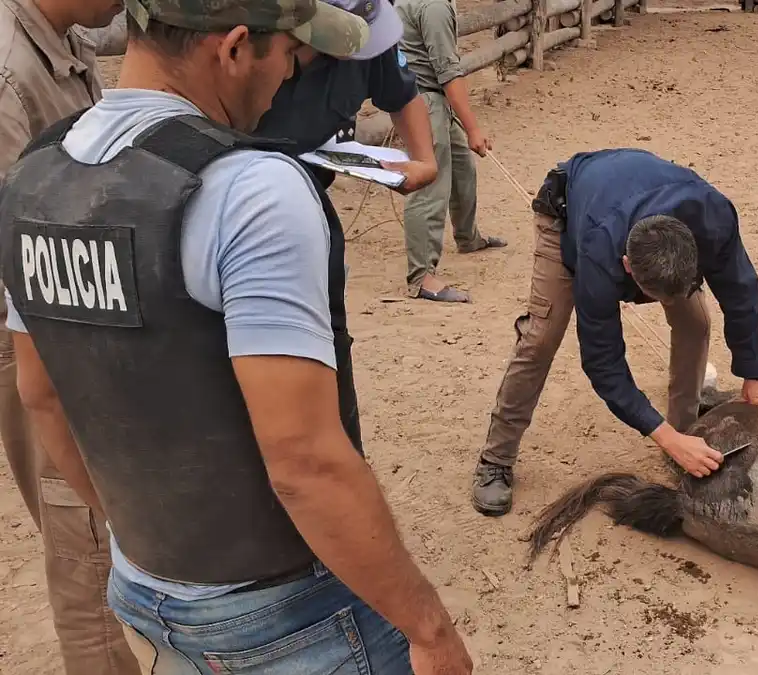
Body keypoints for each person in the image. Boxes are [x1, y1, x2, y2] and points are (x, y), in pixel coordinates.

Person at [0, 0, 473, 671]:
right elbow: (304, 461)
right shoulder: (250, 189)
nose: (287, 75)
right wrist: (429, 628)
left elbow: (39, 392)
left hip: (143, 585)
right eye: (287, 52)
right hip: (277, 607)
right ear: (233, 49)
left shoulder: (35, 176)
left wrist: (138, 534)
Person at [471, 148, 758, 516]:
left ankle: (686, 428)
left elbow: (743, 292)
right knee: (540, 340)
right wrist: (660, 434)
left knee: (695, 321)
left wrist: (754, 376)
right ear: (626, 267)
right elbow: (602, 361)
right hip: (567, 213)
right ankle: (496, 458)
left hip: (634, 201)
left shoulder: (714, 217)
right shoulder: (597, 251)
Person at [0, 0, 136, 670]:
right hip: (37, 328)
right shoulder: (8, 71)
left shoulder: (62, 39)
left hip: (65, 312)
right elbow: (15, 247)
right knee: (81, 537)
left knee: (92, 524)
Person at [253, 0, 439, 453]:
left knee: (329, 337)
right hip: (245, 206)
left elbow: (403, 95)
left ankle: (341, 446)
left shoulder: (372, 33)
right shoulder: (255, 41)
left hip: (311, 202)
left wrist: (424, 161)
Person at [395, 0, 505, 304]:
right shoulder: (434, 7)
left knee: (461, 168)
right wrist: (473, 128)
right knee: (430, 183)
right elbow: (448, 73)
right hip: (425, 100)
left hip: (431, 97)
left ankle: (468, 237)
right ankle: (421, 276)